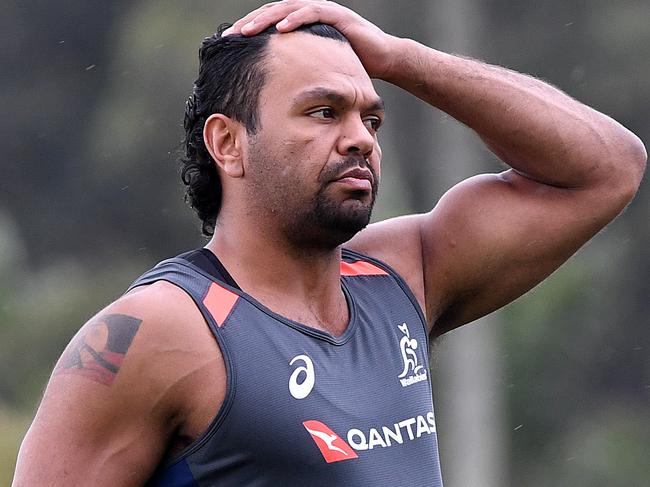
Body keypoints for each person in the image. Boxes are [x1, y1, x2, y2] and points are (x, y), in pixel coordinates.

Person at [13, 1, 645, 486]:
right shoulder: (161, 330)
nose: (360, 138)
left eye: (370, 118)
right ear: (228, 143)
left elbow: (609, 167)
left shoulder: (405, 278)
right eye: (323, 112)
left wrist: (398, 59)